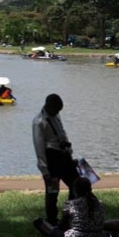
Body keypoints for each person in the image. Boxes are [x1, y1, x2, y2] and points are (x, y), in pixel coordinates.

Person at [33, 93, 80, 227]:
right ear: (49, 107)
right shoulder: (39, 122)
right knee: (53, 191)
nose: (57, 112)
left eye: (59, 110)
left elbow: (62, 133)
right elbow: (39, 146)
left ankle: (71, 215)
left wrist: (69, 152)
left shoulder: (56, 116)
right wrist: (44, 170)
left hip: (63, 155)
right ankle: (52, 220)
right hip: (51, 158)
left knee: (76, 184)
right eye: (56, 109)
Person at [34, 176, 119, 237]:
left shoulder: (70, 204)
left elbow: (64, 227)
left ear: (75, 191)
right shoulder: (100, 204)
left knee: (41, 223)